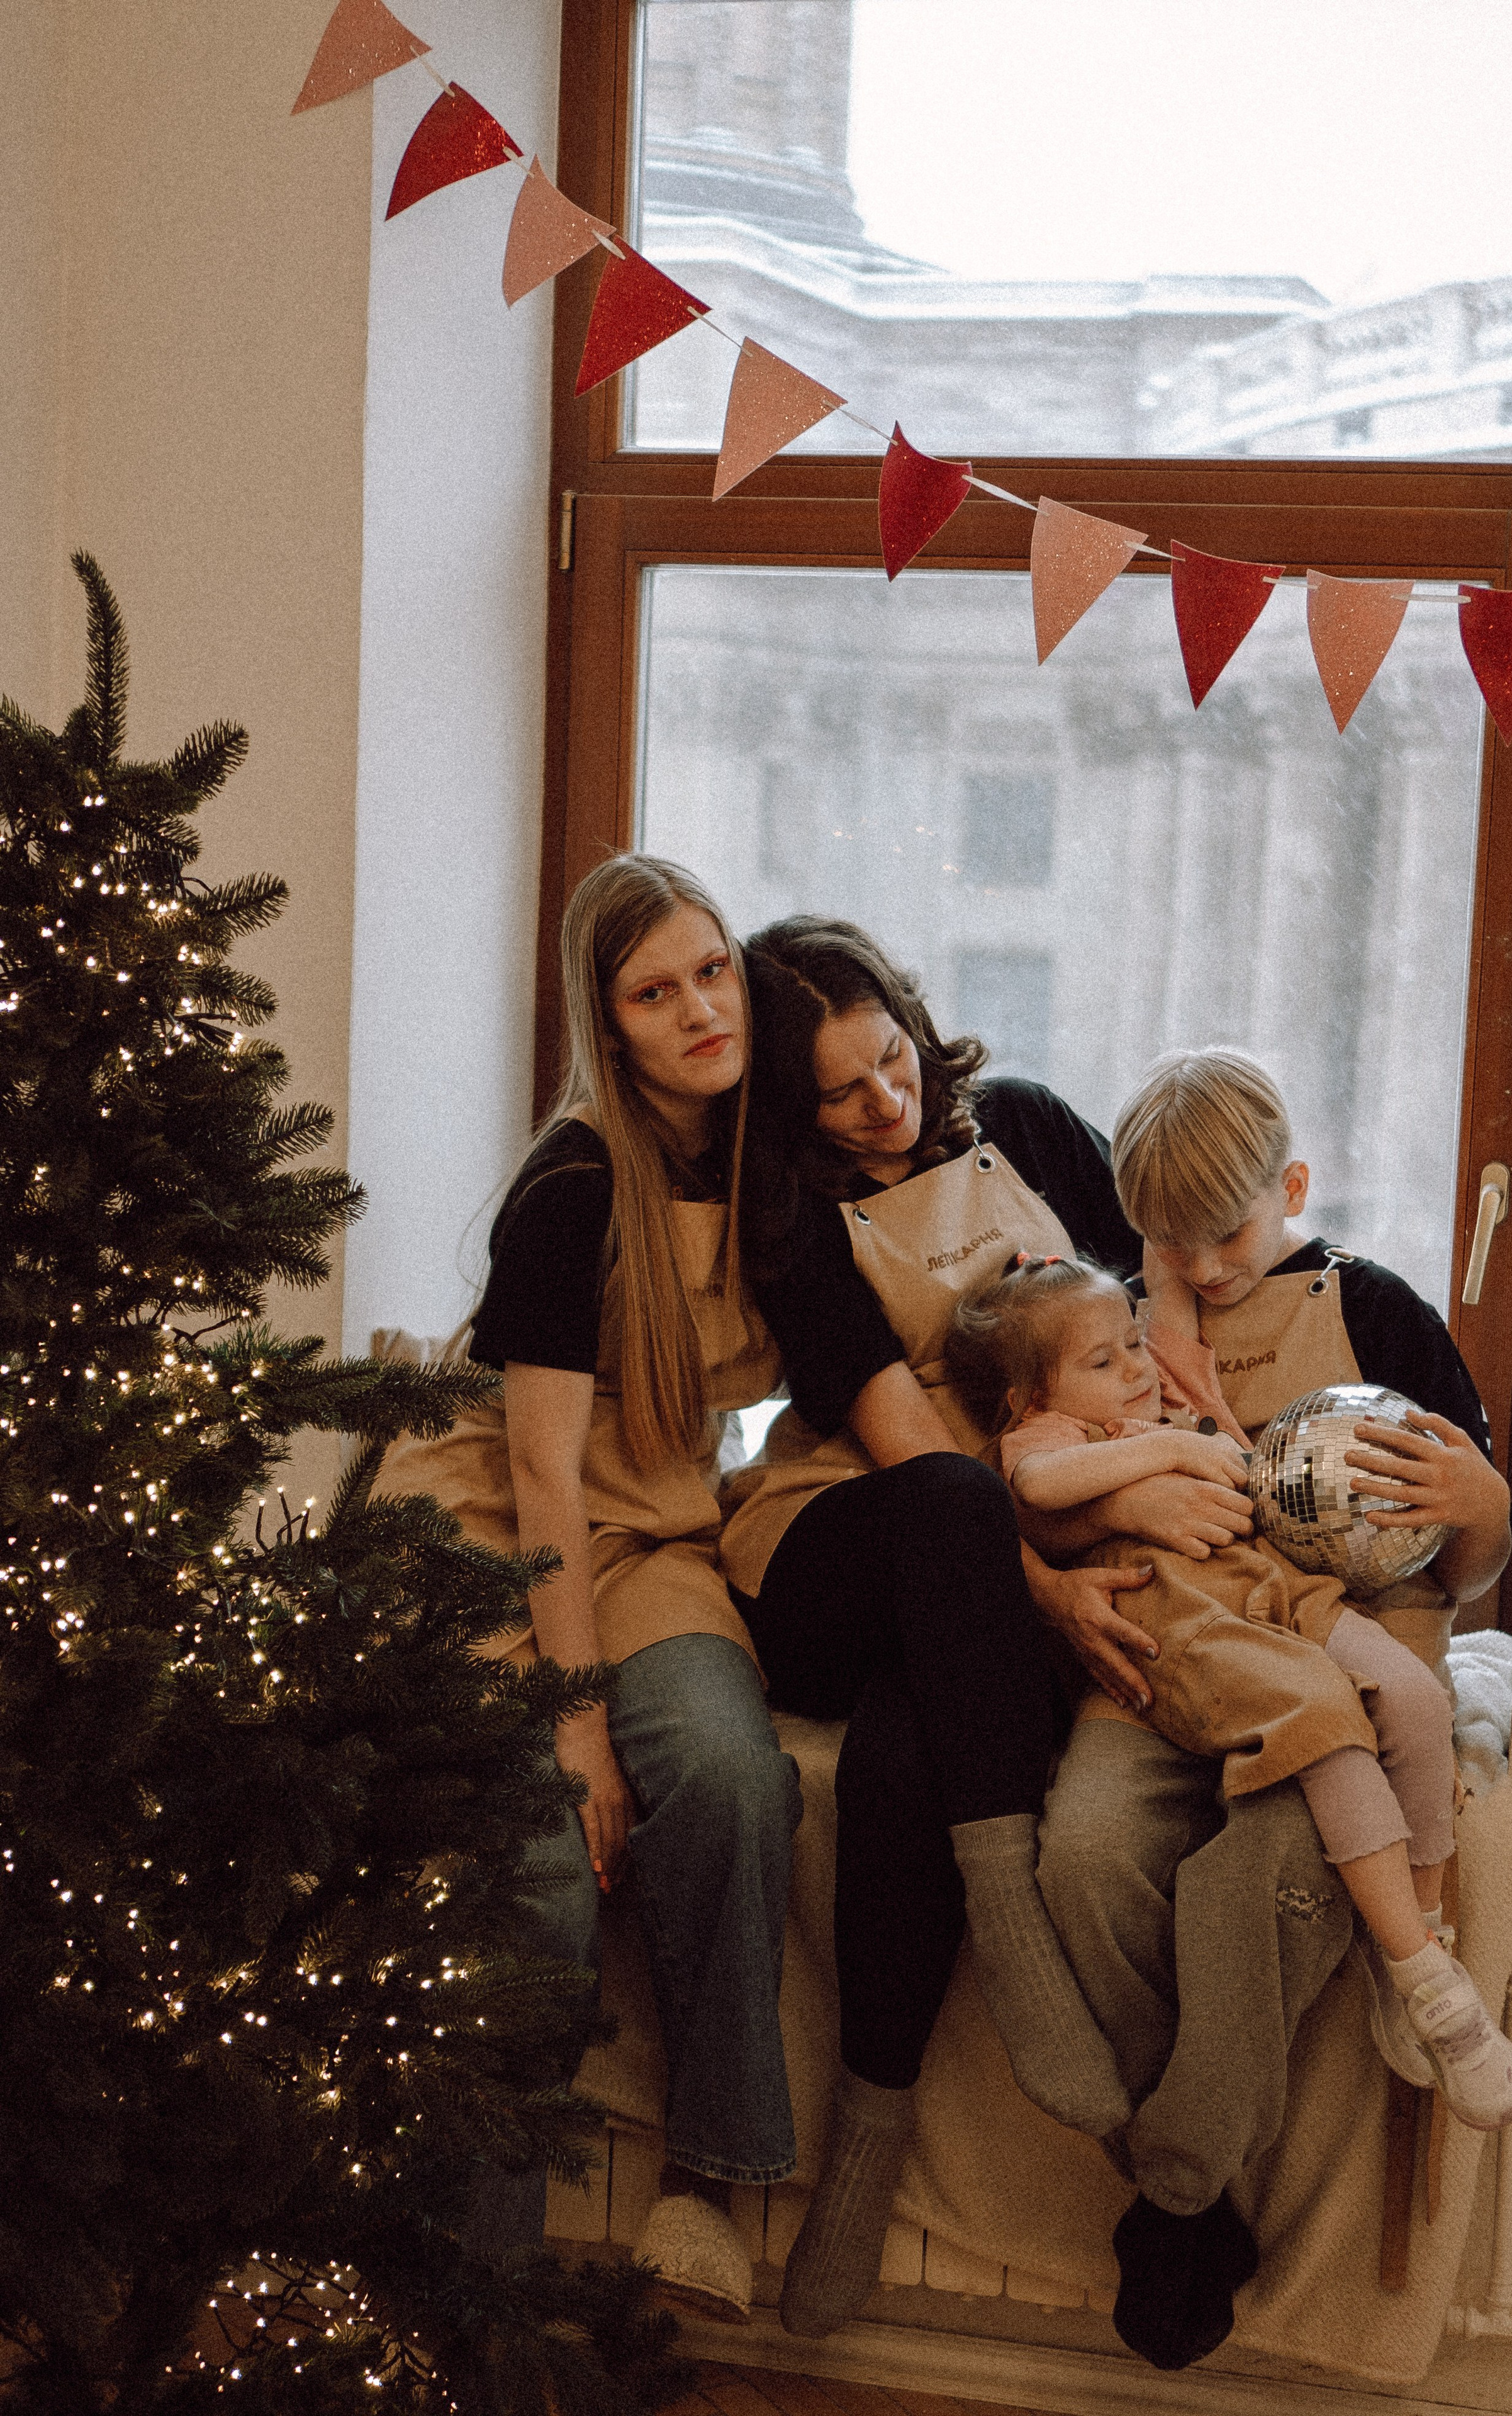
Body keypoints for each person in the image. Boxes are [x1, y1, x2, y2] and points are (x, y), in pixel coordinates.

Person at [722, 915, 1255, 2341]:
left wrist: (1187, 1440)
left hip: (1014, 1547)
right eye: (838, 1092)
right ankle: (1011, 1929)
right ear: (791, 1108)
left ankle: (865, 2151)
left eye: (888, 1058)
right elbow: (913, 1455)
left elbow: (1147, 1290)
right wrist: (1053, 1595)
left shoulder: (1021, 1124)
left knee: (907, 1759)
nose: (882, 1102)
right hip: (850, 1540)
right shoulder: (795, 1229)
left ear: (912, 1023)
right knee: (956, 1501)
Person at [1033, 1047, 1512, 2368]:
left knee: (1242, 1889)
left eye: (1229, 1232)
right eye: (1167, 1243)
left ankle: (1179, 2194)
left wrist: (1478, 1514)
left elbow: (1465, 1562)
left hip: (1340, 1683)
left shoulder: (1380, 1317)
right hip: (1164, 1670)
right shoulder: (1121, 1323)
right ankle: (1202, 2160)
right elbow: (1042, 1479)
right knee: (1079, 1857)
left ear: (1292, 1185)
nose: (1200, 1269)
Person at [948, 1249, 1512, 2134]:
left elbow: (1245, 1466)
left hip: (1281, 1596)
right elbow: (1037, 1484)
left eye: (1135, 1345)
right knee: (1325, 1722)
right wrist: (1175, 1446)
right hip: (1190, 1628)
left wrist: (1214, 1423)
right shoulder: (1051, 1439)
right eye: (1104, 1363)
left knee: (1414, 1700)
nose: (1138, 1370)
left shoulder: (1170, 1402)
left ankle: (1408, 1945)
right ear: (1033, 1399)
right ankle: (1434, 1991)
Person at [464, 855, 803, 2322]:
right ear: (607, 1024)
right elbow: (540, 1475)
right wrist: (577, 1723)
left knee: (733, 1776)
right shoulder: (570, 1186)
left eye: (711, 971)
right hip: (508, 1545)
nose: (697, 1011)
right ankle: (472, 2286)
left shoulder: (762, 1162)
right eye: (654, 993)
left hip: (660, 1541)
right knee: (539, 1870)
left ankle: (708, 2186)